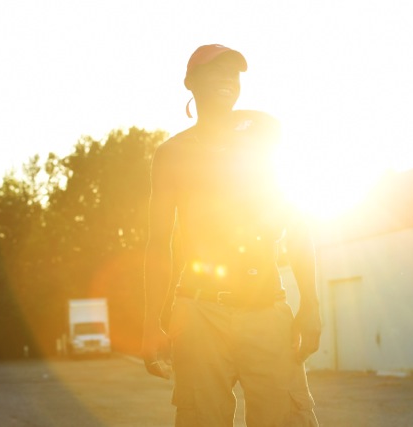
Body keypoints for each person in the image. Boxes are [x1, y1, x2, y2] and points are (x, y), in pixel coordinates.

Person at [142, 43, 321, 426]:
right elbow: (159, 244)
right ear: (189, 82)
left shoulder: (264, 134)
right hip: (199, 314)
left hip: (267, 310)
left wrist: (311, 304)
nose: (226, 79)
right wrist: (151, 323)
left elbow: (295, 223)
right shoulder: (172, 154)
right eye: (214, 71)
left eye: (233, 72)